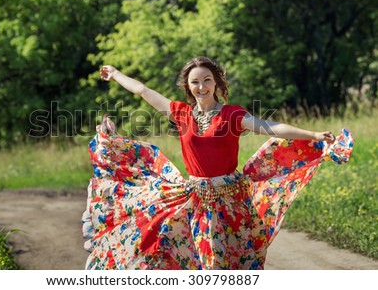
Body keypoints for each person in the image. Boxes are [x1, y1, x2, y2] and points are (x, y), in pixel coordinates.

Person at [81, 56, 354, 269]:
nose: (201, 87)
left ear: (216, 83)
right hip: (197, 199)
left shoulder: (232, 115)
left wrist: (313, 135)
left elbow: (269, 126)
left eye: (207, 80)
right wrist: (116, 74)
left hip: (232, 201)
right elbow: (142, 90)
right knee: (200, 256)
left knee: (235, 261)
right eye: (195, 82)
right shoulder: (180, 113)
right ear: (188, 87)